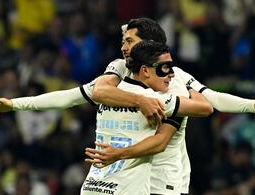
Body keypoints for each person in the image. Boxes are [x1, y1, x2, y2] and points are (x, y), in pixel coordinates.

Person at [0, 17, 255, 194]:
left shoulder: (173, 78)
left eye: (129, 41)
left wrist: (250, 106)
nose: (123, 47)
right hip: (123, 178)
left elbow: (208, 102)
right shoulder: (119, 68)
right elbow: (89, 92)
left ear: (148, 46)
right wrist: (15, 104)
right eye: (123, 42)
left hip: (165, 177)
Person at [82, 40, 213, 194]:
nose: (171, 74)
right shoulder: (155, 100)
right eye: (165, 67)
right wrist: (188, 86)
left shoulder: (110, 94)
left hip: (93, 186)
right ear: (145, 70)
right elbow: (206, 108)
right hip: (126, 189)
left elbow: (97, 91)